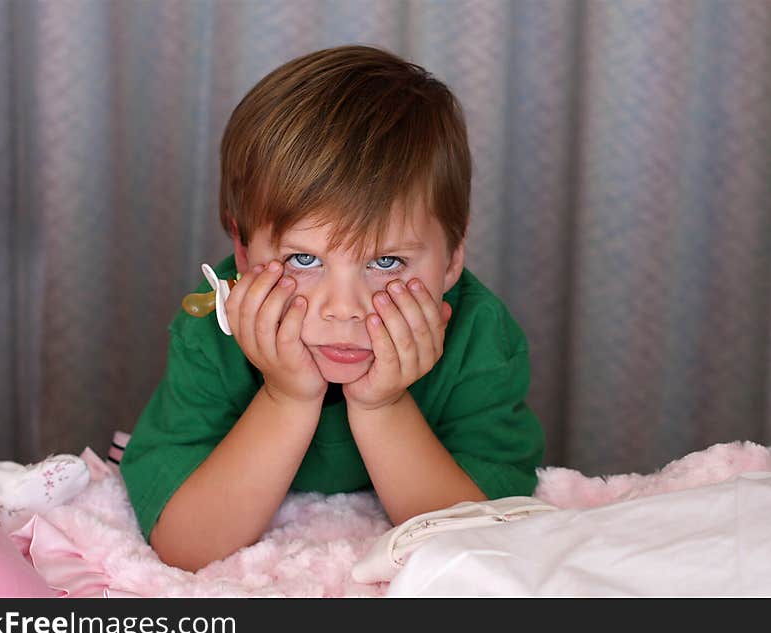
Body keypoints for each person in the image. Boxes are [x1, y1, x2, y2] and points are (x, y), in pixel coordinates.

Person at [120, 45, 545, 571]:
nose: (344, 309)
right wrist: (286, 396)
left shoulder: (481, 338)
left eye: (387, 261)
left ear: (453, 258)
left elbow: (480, 546)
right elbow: (187, 546)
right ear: (245, 252)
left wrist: (382, 406)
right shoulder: (215, 328)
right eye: (304, 258)